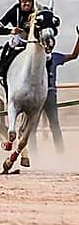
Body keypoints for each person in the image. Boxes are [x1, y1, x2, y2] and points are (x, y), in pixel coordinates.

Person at [0, 0, 60, 81]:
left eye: (30, 0)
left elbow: (52, 25)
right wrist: (11, 30)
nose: (27, 3)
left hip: (35, 42)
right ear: (19, 0)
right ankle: (2, 74)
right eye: (24, 0)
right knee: (9, 49)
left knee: (48, 57)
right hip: (20, 40)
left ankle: (48, 78)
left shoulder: (40, 10)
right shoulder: (14, 11)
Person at [32, 25, 79, 154]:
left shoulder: (55, 57)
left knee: (53, 125)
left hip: (49, 93)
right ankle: (34, 154)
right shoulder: (38, 58)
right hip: (38, 94)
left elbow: (74, 55)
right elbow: (74, 56)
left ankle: (60, 153)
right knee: (34, 126)